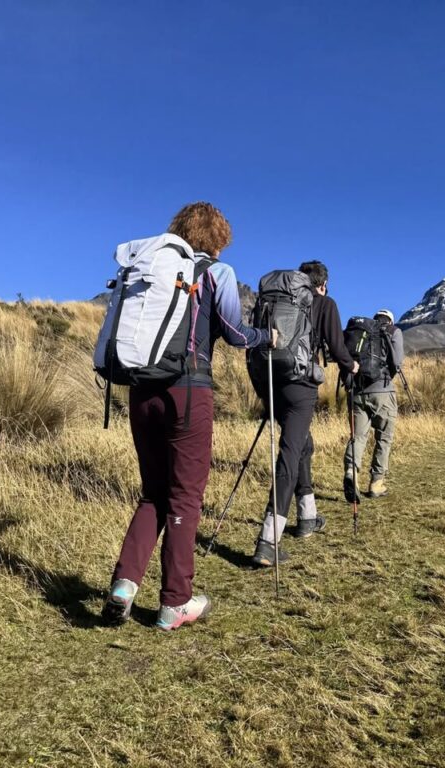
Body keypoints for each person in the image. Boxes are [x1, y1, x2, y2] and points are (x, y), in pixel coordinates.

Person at [102, 202, 275, 630]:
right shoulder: (219, 273)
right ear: (218, 238)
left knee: (153, 494)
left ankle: (123, 586)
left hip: (141, 391)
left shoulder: (153, 268)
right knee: (184, 497)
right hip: (189, 392)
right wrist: (265, 337)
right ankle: (174, 601)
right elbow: (235, 334)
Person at [251, 260, 358, 567]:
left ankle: (308, 516)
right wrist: (351, 365)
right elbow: (337, 348)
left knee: (303, 446)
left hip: (268, 379)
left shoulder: (276, 301)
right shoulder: (324, 303)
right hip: (300, 384)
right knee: (290, 451)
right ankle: (268, 541)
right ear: (322, 284)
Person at [343, 309, 404, 501]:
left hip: (356, 392)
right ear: (390, 320)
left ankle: (351, 473)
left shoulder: (362, 332)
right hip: (383, 391)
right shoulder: (394, 331)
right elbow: (397, 362)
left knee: (358, 437)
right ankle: (376, 484)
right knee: (383, 439)